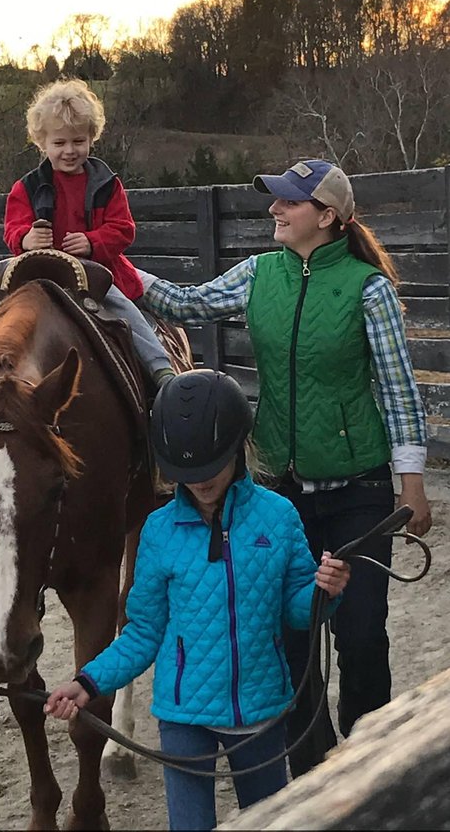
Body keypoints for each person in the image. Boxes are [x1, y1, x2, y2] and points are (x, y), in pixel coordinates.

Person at [132, 158, 432, 777]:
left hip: (361, 490)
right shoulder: (258, 273)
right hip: (277, 490)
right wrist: (115, 272)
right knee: (291, 635)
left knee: (360, 634)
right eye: (275, 201)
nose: (274, 210)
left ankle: (368, 762)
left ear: (326, 216)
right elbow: (186, 304)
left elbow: (400, 389)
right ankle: (315, 770)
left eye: (287, 203)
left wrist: (413, 484)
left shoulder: (366, 289)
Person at [44, 369, 350, 832]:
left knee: (266, 823)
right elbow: (144, 631)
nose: (201, 483)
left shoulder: (279, 516)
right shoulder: (158, 531)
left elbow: (295, 607)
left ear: (239, 450)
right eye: (187, 474)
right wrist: (88, 682)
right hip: (183, 715)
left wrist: (325, 592)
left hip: (261, 707)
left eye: (211, 468)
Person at [0, 78, 174, 429]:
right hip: (34, 271)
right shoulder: (26, 187)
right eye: (59, 143)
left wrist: (92, 241)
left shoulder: (107, 184)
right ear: (42, 143)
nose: (69, 150)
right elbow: (11, 228)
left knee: (126, 310)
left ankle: (163, 375)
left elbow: (124, 228)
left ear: (92, 138)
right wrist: (26, 240)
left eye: (78, 141)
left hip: (91, 272)